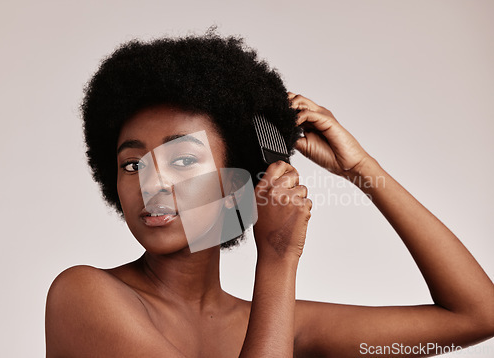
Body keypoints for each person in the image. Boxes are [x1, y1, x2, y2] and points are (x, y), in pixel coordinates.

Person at [45, 31, 494, 357]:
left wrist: (361, 170)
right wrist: (278, 257)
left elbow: (477, 315)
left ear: (238, 180)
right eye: (132, 163)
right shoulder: (84, 296)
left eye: (182, 160)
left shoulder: (276, 325)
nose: (152, 182)